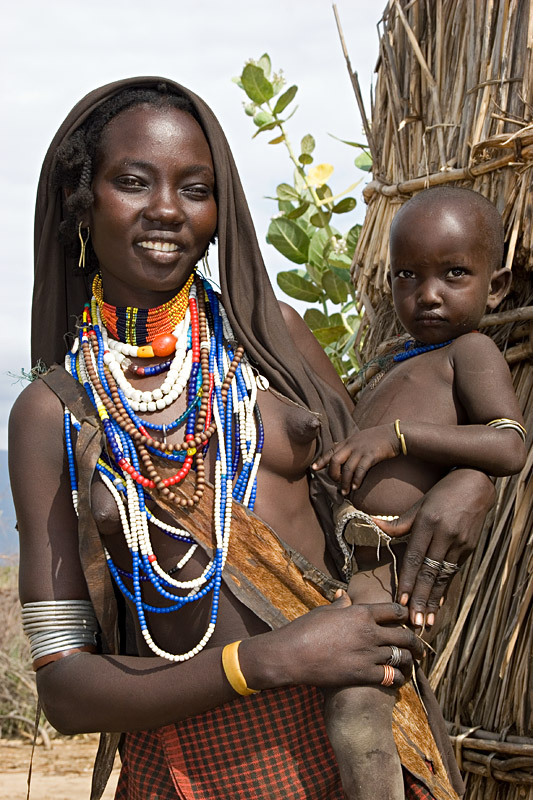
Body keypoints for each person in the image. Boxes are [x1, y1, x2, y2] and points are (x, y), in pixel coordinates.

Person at [8, 78, 494, 800]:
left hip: (361, 741)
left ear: (218, 209)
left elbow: (376, 482)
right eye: (133, 182)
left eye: (195, 188)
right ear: (83, 204)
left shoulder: (274, 340)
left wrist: (469, 482)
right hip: (196, 769)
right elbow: (66, 688)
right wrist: (265, 660)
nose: (167, 209)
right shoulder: (55, 414)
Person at [314, 187, 527, 800]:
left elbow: (509, 444)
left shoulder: (470, 351)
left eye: (454, 273)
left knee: (356, 707)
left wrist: (396, 438)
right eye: (409, 275)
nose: (428, 293)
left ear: (498, 285)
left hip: (390, 575)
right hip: (347, 569)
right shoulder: (392, 365)